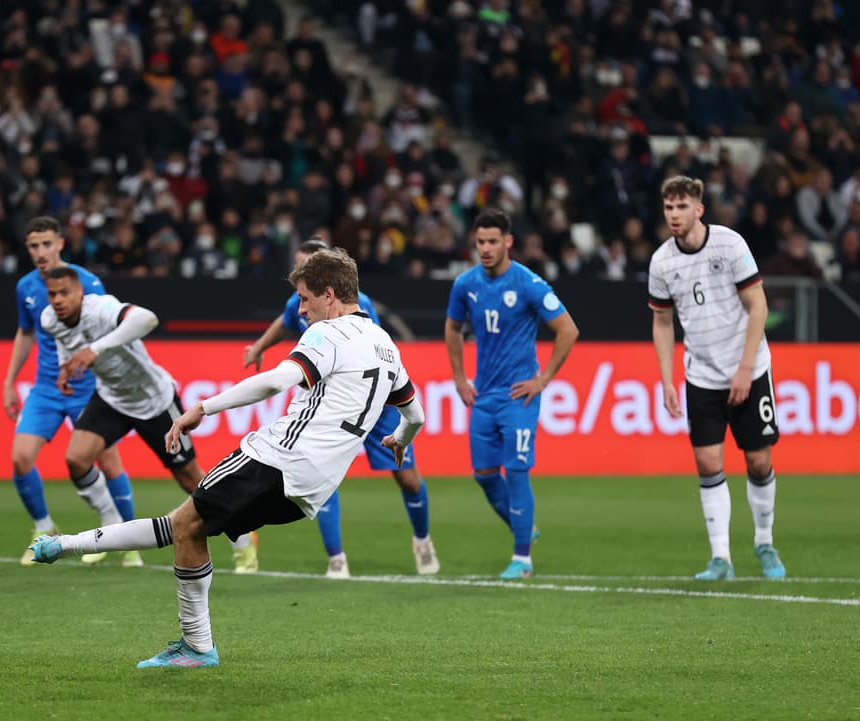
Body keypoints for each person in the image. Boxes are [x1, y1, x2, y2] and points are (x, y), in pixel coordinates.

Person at [29, 248, 426, 668]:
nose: (300, 310)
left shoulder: (328, 334)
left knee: (181, 525)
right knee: (190, 529)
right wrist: (399, 440)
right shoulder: (385, 344)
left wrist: (204, 407)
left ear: (329, 295)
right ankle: (186, 633)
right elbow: (415, 415)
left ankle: (181, 633)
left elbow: (275, 381)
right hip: (314, 489)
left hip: (277, 459)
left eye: (305, 299)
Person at [242, 238, 438, 577]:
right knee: (322, 468)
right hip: (332, 402)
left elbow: (375, 355)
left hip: (373, 400)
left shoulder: (357, 305)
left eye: (306, 266)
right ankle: (337, 558)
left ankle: (422, 540)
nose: (300, 273)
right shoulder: (298, 303)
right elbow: (285, 321)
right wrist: (259, 346)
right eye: (298, 266)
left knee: (407, 478)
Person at [38, 266, 257, 570]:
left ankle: (243, 540)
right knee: (77, 459)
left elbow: (147, 319)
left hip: (155, 400)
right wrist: (67, 367)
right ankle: (110, 521)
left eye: (64, 293)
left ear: (80, 293)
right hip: (112, 399)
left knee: (191, 479)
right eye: (52, 294)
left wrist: (95, 349)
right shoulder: (49, 319)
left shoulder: (100, 308)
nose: (58, 300)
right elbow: (67, 342)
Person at [648, 176, 786, 580]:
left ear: (699, 209)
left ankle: (764, 542)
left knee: (759, 461)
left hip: (749, 369)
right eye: (669, 207)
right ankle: (721, 557)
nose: (674, 215)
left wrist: (744, 368)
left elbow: (758, 306)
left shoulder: (730, 244)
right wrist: (667, 379)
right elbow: (662, 322)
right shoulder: (661, 262)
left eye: (681, 207)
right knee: (707, 462)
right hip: (702, 374)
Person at [445, 208, 579, 580]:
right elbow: (453, 328)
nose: (486, 249)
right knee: (485, 475)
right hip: (484, 395)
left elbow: (568, 330)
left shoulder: (528, 283)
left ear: (508, 242)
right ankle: (524, 526)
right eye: (480, 242)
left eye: (492, 241)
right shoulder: (465, 284)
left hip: (520, 395)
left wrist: (543, 379)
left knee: (517, 472)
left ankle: (522, 559)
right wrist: (459, 378)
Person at [6, 216, 134, 567]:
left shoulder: (86, 282)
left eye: (47, 244)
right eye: (34, 246)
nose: (41, 252)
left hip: (88, 386)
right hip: (47, 388)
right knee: (20, 458)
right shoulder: (25, 287)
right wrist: (9, 381)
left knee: (108, 460)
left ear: (60, 243)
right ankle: (43, 528)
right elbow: (25, 333)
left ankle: (129, 540)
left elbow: (109, 328)